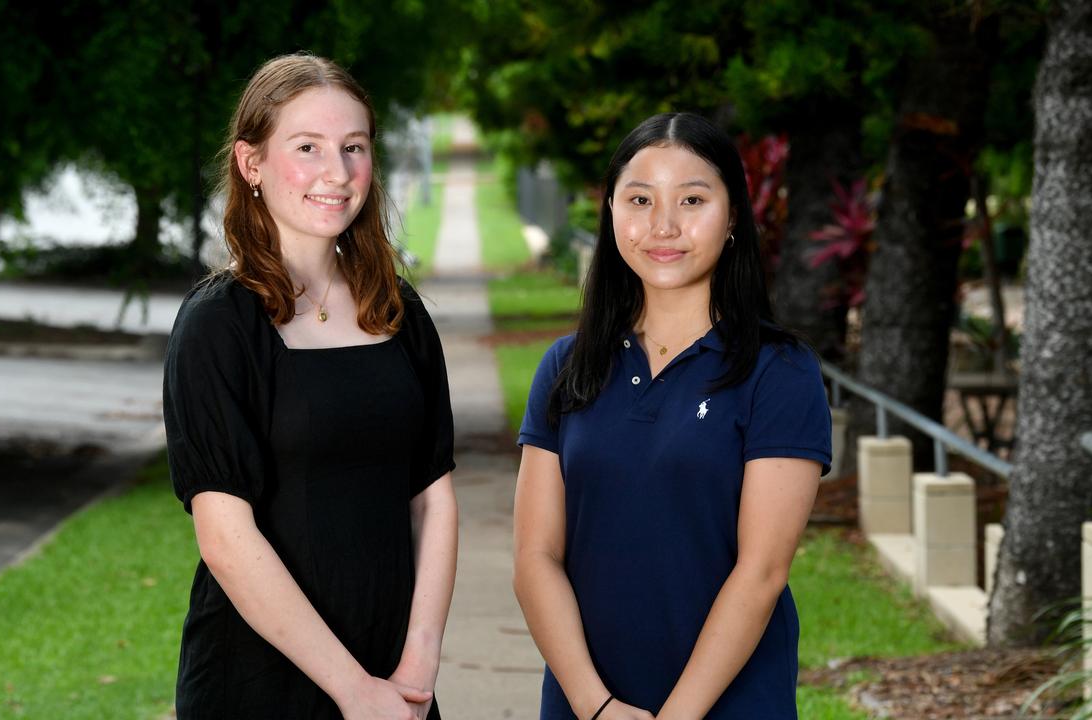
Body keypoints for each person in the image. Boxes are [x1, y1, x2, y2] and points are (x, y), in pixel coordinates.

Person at [162, 53, 457, 720]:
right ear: (251, 163)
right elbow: (226, 537)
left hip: (394, 679)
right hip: (255, 682)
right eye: (308, 147)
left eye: (354, 148)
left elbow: (433, 499)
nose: (337, 172)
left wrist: (416, 668)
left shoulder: (399, 313)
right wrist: (353, 692)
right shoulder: (217, 326)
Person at [514, 112, 833, 719]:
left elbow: (761, 572)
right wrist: (595, 704)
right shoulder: (566, 366)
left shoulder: (779, 372)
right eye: (640, 199)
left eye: (692, 199)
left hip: (731, 703)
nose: (664, 226)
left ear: (734, 214)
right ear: (611, 211)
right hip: (585, 705)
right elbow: (535, 559)